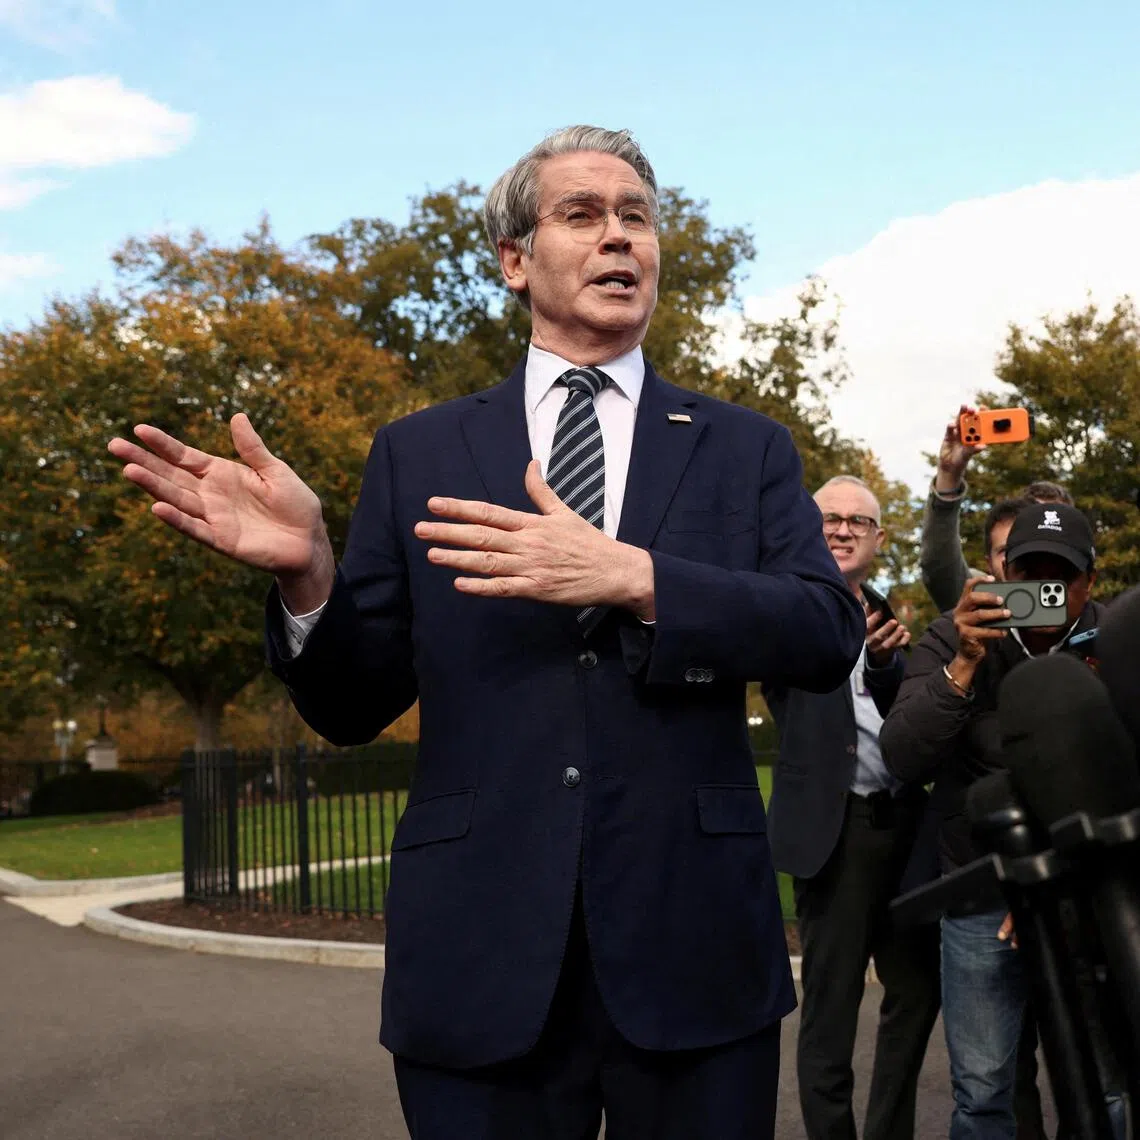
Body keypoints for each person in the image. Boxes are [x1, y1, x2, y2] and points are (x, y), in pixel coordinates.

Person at [108, 126, 865, 1140]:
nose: (619, 238)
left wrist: (635, 578)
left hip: (693, 948)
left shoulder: (746, 448)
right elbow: (350, 703)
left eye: (637, 217)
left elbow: (823, 628)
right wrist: (309, 574)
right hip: (480, 951)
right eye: (583, 215)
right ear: (514, 260)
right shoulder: (420, 451)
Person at [881, 502, 1106, 1139]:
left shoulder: (1115, 642)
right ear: (1001, 569)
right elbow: (902, 754)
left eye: (1058, 576)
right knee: (982, 1092)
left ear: (1091, 579)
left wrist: (1061, 876)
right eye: (1027, 571)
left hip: (1087, 893)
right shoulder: (957, 635)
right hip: (982, 893)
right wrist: (964, 666)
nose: (1041, 590)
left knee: (1103, 1085)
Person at [766, 475, 941, 1140]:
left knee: (919, 992)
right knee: (831, 1016)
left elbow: (915, 725)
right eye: (829, 519)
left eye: (857, 522)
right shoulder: (786, 612)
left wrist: (891, 667)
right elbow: (781, 672)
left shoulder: (896, 623)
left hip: (904, 833)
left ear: (877, 538)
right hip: (834, 835)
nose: (841, 529)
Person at [921, 403, 1072, 612]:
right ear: (990, 564)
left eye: (1052, 540)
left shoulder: (1104, 620)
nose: (1033, 556)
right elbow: (939, 566)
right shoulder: (979, 604)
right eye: (1007, 550)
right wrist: (949, 474)